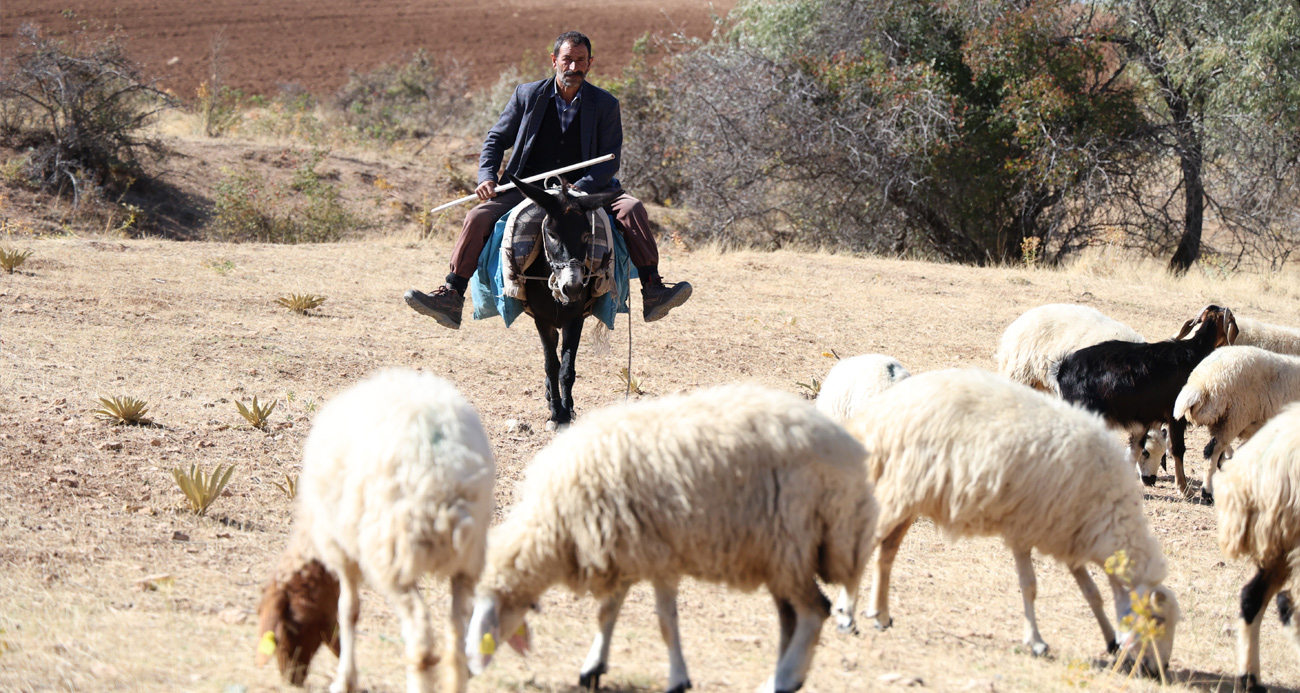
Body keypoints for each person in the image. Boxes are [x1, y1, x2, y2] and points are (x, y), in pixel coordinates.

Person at [404, 30, 692, 329]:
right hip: (530, 187)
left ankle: (653, 290)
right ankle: (452, 295)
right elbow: (494, 140)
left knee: (632, 210)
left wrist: (581, 190)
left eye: (580, 61)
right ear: (554, 60)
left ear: (589, 63)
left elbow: (610, 161)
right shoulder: (527, 95)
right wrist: (487, 176)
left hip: (586, 187)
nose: (573, 67)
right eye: (567, 60)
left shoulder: (605, 104)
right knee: (477, 216)